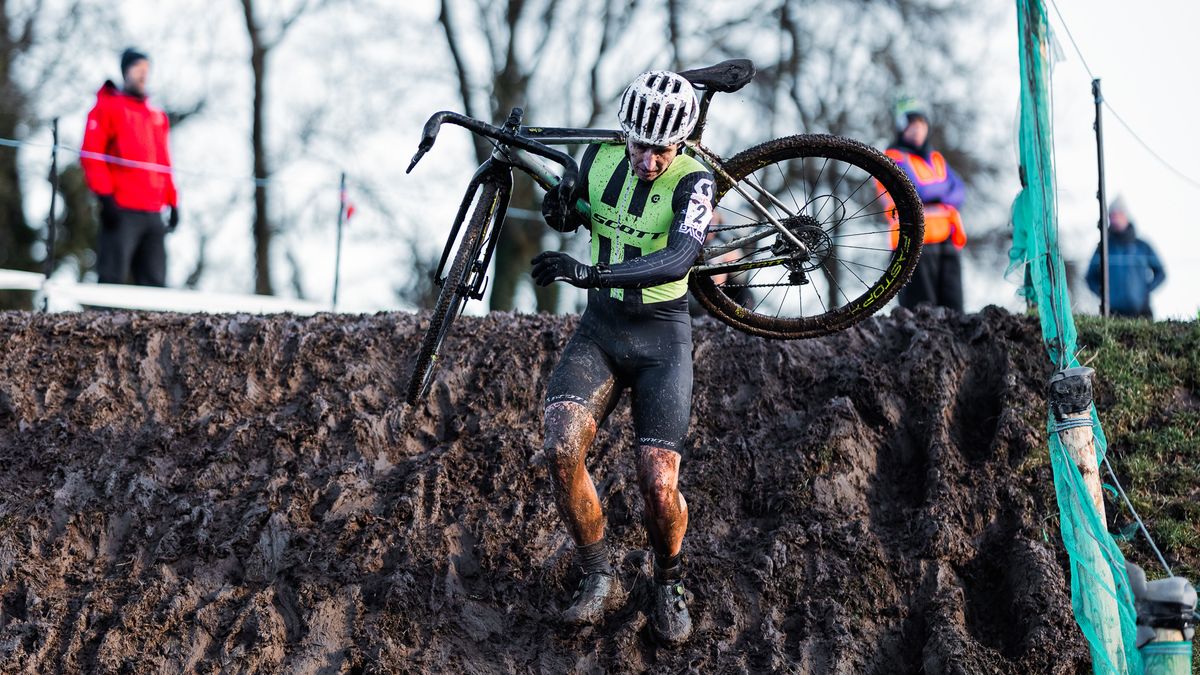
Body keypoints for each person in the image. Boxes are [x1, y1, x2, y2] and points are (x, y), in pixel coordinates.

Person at [530, 70, 714, 645]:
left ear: (680, 143)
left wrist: (588, 271)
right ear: (623, 133)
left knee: (657, 483)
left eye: (662, 149)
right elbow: (571, 214)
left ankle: (669, 581)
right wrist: (558, 206)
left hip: (662, 339)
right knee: (560, 445)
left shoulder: (695, 180)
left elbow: (678, 258)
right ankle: (600, 574)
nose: (650, 159)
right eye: (640, 145)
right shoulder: (598, 158)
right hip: (602, 331)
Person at [82, 47, 179, 287]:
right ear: (126, 71)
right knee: (112, 277)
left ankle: (155, 326)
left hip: (154, 211)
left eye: (147, 69)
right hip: (121, 208)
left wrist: (173, 201)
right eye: (138, 68)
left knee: (155, 282)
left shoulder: (157, 117)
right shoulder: (107, 107)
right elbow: (91, 155)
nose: (143, 74)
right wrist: (105, 197)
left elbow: (163, 162)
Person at [882, 97, 967, 312]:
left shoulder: (936, 158)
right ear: (902, 128)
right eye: (912, 126)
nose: (918, 131)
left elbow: (959, 191)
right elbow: (916, 191)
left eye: (922, 125)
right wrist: (941, 191)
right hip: (912, 243)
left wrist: (934, 195)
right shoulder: (892, 157)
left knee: (954, 311)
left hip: (946, 242)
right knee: (920, 312)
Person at [1085, 197, 1166, 318]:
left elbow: (1161, 273)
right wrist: (1103, 295)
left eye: (1119, 215)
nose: (1115, 219)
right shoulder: (1103, 247)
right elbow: (1090, 277)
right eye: (1112, 216)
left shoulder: (1142, 246)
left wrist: (1145, 291)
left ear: (1126, 216)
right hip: (1112, 314)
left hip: (1141, 313)